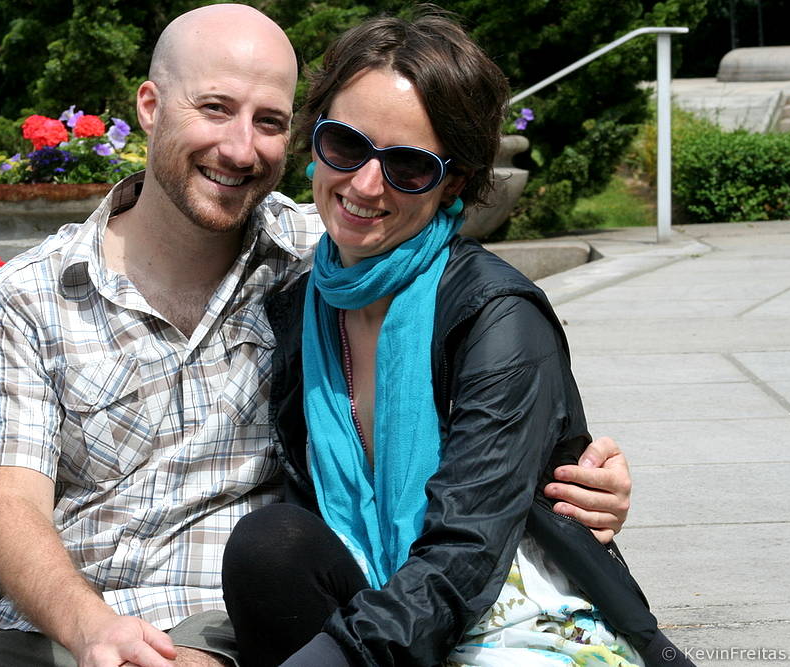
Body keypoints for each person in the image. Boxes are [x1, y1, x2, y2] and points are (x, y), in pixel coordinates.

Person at [0, 5, 635, 667]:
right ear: (150, 107)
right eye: (215, 108)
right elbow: (11, 506)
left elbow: (489, 376)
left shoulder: (321, 257)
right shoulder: (30, 294)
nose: (239, 148)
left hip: (230, 621)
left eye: (269, 121)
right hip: (71, 621)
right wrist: (91, 627)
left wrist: (573, 478)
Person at [220, 10, 692, 667]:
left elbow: (465, 551)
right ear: (315, 141)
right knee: (269, 545)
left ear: (454, 182)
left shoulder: (498, 317)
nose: (365, 184)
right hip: (385, 605)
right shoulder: (304, 309)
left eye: (408, 166)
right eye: (346, 146)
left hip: (518, 620)